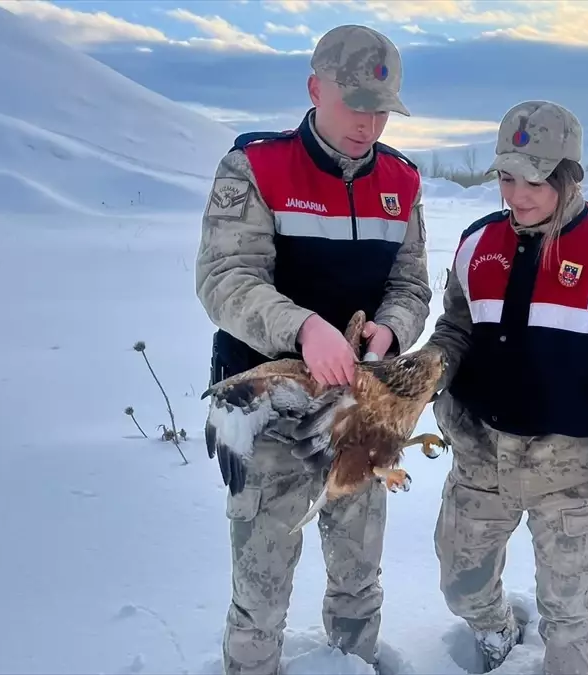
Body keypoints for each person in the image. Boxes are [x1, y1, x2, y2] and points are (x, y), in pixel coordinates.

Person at [193, 24, 431, 675]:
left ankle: (352, 660)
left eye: (381, 109)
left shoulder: (401, 181)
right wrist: (303, 327)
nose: (368, 122)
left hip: (358, 404)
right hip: (262, 397)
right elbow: (224, 280)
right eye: (355, 104)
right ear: (314, 88)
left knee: (360, 562)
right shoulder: (257, 166)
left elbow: (411, 285)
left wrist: (391, 328)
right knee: (262, 569)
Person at [425, 100, 588, 675]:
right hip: (481, 455)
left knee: (567, 608)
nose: (519, 194)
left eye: (536, 179)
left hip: (572, 469)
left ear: (568, 176)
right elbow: (456, 327)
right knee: (460, 583)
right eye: (507, 177)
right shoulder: (476, 243)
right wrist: (428, 368)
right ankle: (494, 630)